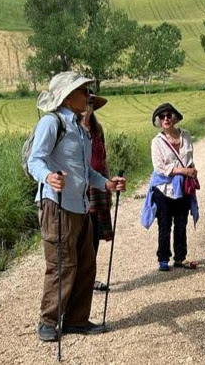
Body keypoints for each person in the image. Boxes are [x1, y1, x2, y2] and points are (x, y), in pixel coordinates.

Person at [28, 71, 127, 343]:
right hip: (56, 205)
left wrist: (107, 183)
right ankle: (48, 321)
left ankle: (76, 320)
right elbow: (35, 160)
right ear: (68, 97)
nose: (88, 96)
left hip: (80, 205)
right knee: (61, 264)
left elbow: (85, 172)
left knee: (85, 263)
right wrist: (48, 176)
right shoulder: (52, 122)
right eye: (84, 91)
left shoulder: (80, 130)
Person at [148, 102, 199, 272]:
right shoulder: (157, 142)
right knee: (164, 223)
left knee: (181, 222)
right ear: (159, 121)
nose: (166, 119)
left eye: (169, 115)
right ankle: (163, 258)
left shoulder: (186, 135)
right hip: (164, 189)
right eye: (162, 116)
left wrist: (192, 171)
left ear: (174, 118)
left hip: (183, 187)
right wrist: (184, 170)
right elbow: (159, 168)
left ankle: (180, 257)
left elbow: (190, 158)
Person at [81, 95, 113, 292]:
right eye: (85, 102)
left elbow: (104, 159)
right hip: (81, 187)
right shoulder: (72, 130)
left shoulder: (98, 130)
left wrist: (108, 185)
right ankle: (82, 278)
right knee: (83, 233)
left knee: (95, 233)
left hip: (98, 184)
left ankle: (90, 277)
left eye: (91, 103)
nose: (88, 106)